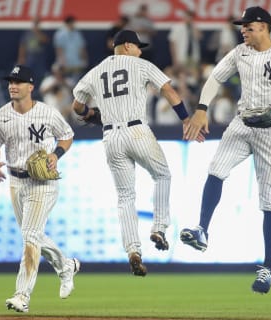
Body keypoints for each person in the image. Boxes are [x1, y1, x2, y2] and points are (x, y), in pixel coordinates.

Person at [181, 7, 271, 294]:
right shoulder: (239, 52)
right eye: (242, 26)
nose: (243, 30)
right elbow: (215, 78)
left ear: (264, 27)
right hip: (242, 123)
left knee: (269, 200)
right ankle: (202, 229)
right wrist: (202, 109)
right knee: (216, 170)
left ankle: (268, 268)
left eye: (248, 26)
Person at [71, 30, 203, 276]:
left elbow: (77, 105)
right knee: (162, 175)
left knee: (124, 197)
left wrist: (89, 114)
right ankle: (160, 228)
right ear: (128, 46)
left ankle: (133, 250)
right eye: (138, 46)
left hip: (110, 136)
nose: (141, 50)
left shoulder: (96, 71)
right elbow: (170, 93)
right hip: (137, 130)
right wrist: (186, 119)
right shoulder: (141, 64)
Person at [0, 65, 79, 313]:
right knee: (32, 236)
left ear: (31, 87)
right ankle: (66, 265)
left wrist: (56, 155)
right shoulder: (1, 116)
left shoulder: (48, 113)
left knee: (29, 236)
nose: (12, 85)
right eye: (10, 81)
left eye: (18, 81)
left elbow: (67, 135)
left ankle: (22, 295)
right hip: (16, 182)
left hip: (43, 183)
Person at [168, 9, 202, 81]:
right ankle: (183, 91)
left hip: (193, 56)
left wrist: (193, 26)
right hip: (181, 56)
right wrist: (175, 59)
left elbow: (199, 37)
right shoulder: (177, 27)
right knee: (182, 75)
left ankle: (195, 91)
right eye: (188, 16)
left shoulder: (194, 27)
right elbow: (172, 43)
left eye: (191, 17)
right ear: (184, 16)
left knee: (195, 74)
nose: (189, 18)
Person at [17, 17, 51, 88]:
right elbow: (23, 46)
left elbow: (46, 40)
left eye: (37, 23)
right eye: (35, 23)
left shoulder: (42, 32)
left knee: (40, 77)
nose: (36, 24)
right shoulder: (27, 33)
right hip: (30, 58)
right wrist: (21, 59)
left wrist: (37, 32)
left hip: (40, 58)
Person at [53, 15, 88, 83]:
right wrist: (62, 63)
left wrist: (84, 60)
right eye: (72, 23)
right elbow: (59, 50)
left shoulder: (77, 34)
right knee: (66, 84)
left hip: (77, 65)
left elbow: (82, 48)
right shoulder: (60, 34)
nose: (73, 25)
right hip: (65, 66)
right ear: (67, 23)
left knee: (76, 84)